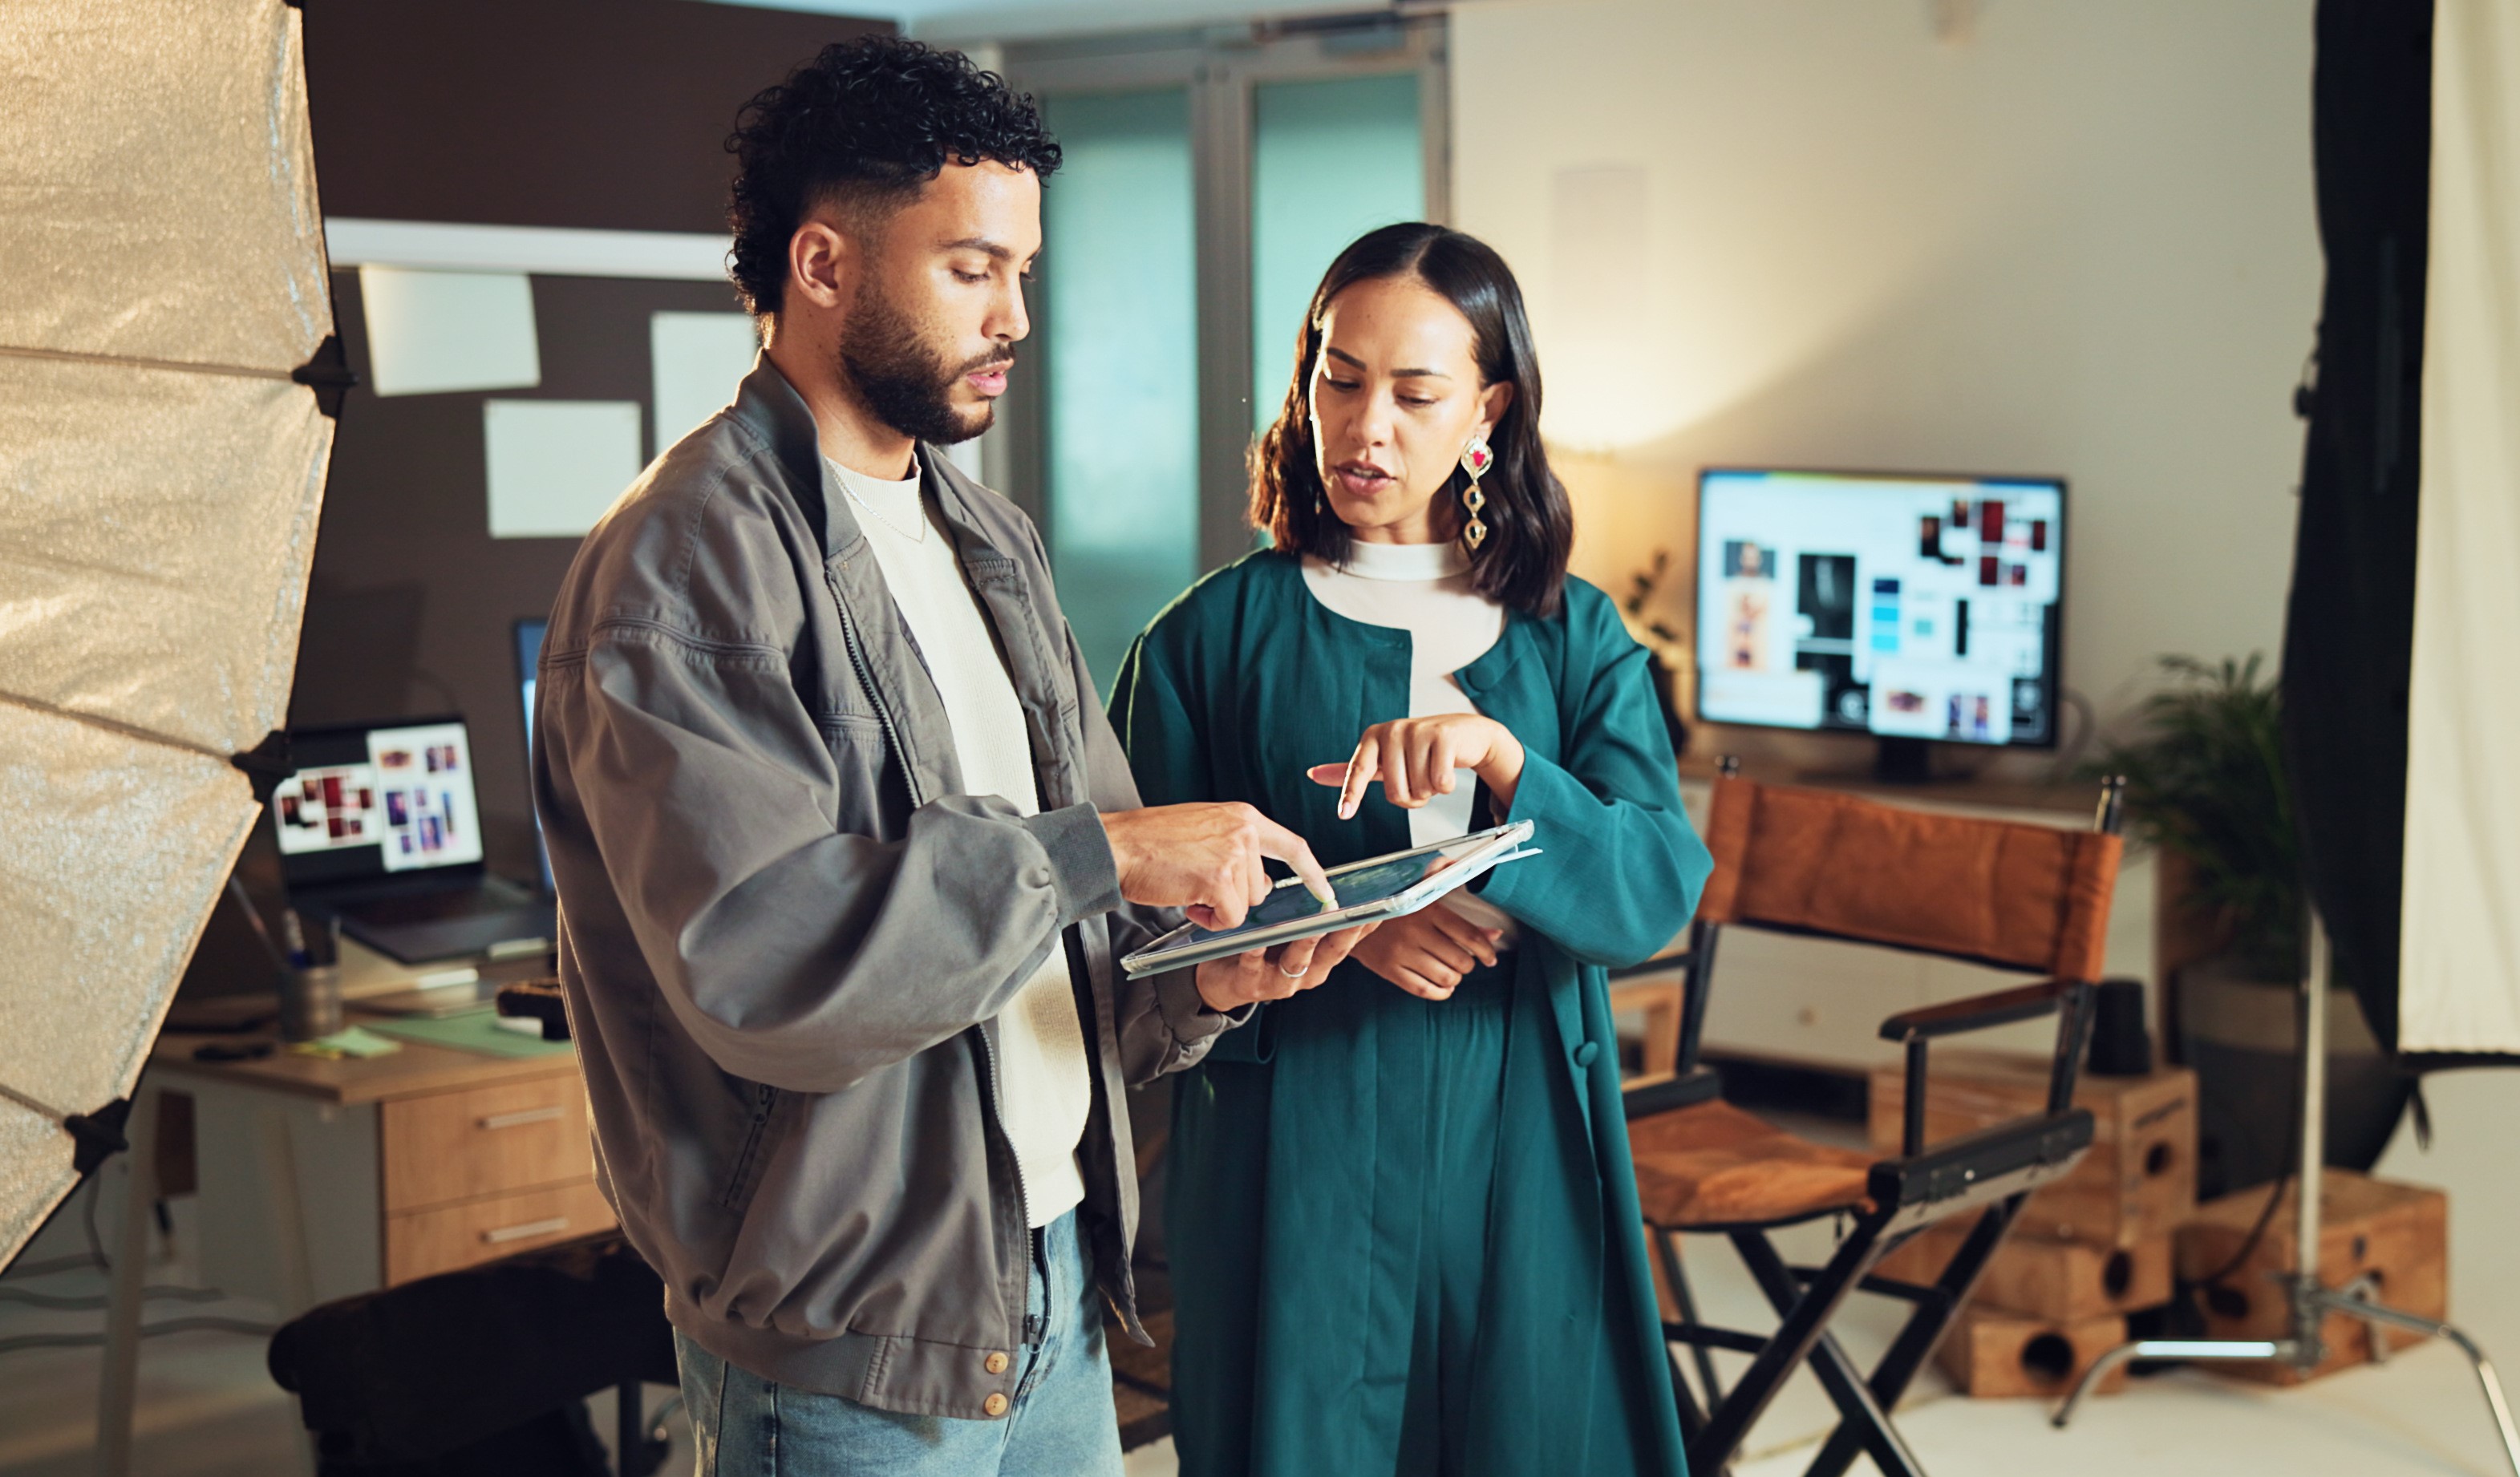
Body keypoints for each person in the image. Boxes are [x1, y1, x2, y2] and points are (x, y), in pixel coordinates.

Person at [531, 38, 1371, 1477]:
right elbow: (770, 961)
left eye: (1023, 272)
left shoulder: (990, 542)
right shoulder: (686, 561)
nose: (1017, 317)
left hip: (1041, 1277)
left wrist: (1198, 975)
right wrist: (1102, 851)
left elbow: (1070, 915)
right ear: (822, 264)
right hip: (842, 1336)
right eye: (973, 269)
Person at [1108, 223, 1714, 1477]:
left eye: (1413, 390)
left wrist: (1505, 761)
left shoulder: (1572, 637)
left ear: (1485, 408)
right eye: (1338, 377)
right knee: (1308, 1433)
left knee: (1530, 1430)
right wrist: (1350, 926)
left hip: (1527, 1111)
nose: (1363, 425)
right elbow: (1122, 933)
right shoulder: (1204, 642)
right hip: (1297, 1124)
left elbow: (1653, 881)